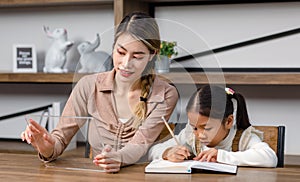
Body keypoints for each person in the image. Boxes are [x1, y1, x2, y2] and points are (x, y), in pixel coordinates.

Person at [21, 12, 178, 173]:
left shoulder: (165, 94)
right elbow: (59, 140)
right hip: (98, 176)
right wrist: (46, 146)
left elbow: (140, 144)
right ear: (113, 47)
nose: (125, 64)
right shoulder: (88, 86)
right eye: (121, 53)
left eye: (137, 56)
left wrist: (118, 158)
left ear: (153, 55)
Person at [148, 85, 277, 167]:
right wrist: (168, 152)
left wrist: (220, 156)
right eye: (194, 127)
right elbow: (153, 151)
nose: (200, 134)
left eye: (207, 128)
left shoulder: (244, 138)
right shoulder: (191, 137)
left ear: (228, 122)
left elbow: (269, 158)